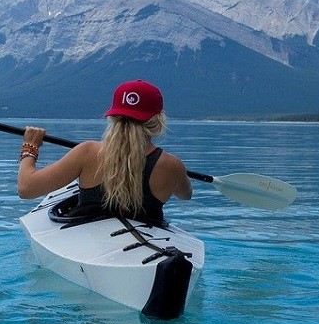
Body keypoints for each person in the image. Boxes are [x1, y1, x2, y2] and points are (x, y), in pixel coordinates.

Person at [16, 80, 192, 224]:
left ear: (113, 116)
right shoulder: (171, 165)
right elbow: (185, 195)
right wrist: (179, 175)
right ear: (158, 121)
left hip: (88, 240)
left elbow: (26, 189)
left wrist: (30, 148)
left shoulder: (87, 152)